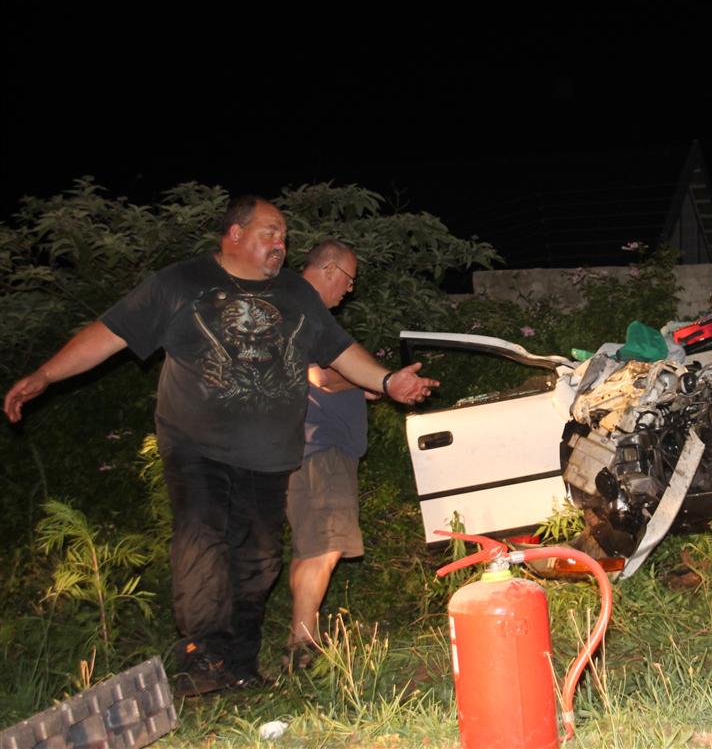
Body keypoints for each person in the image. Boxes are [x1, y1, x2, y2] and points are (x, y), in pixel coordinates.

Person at [3, 196, 438, 697]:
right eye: (270, 232)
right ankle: (202, 658)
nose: (281, 243)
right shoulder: (182, 283)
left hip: (270, 454)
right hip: (197, 445)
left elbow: (339, 351)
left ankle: (239, 663)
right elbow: (110, 333)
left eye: (284, 236)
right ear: (234, 233)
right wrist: (45, 375)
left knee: (258, 560)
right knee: (204, 544)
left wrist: (387, 381)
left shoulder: (295, 293)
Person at [284, 240, 371, 669]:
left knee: (310, 546)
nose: (349, 290)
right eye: (349, 280)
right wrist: (371, 380)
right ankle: (303, 645)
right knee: (326, 545)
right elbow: (319, 375)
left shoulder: (291, 308)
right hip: (320, 447)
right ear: (331, 269)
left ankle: (301, 637)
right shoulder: (304, 312)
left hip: (305, 445)